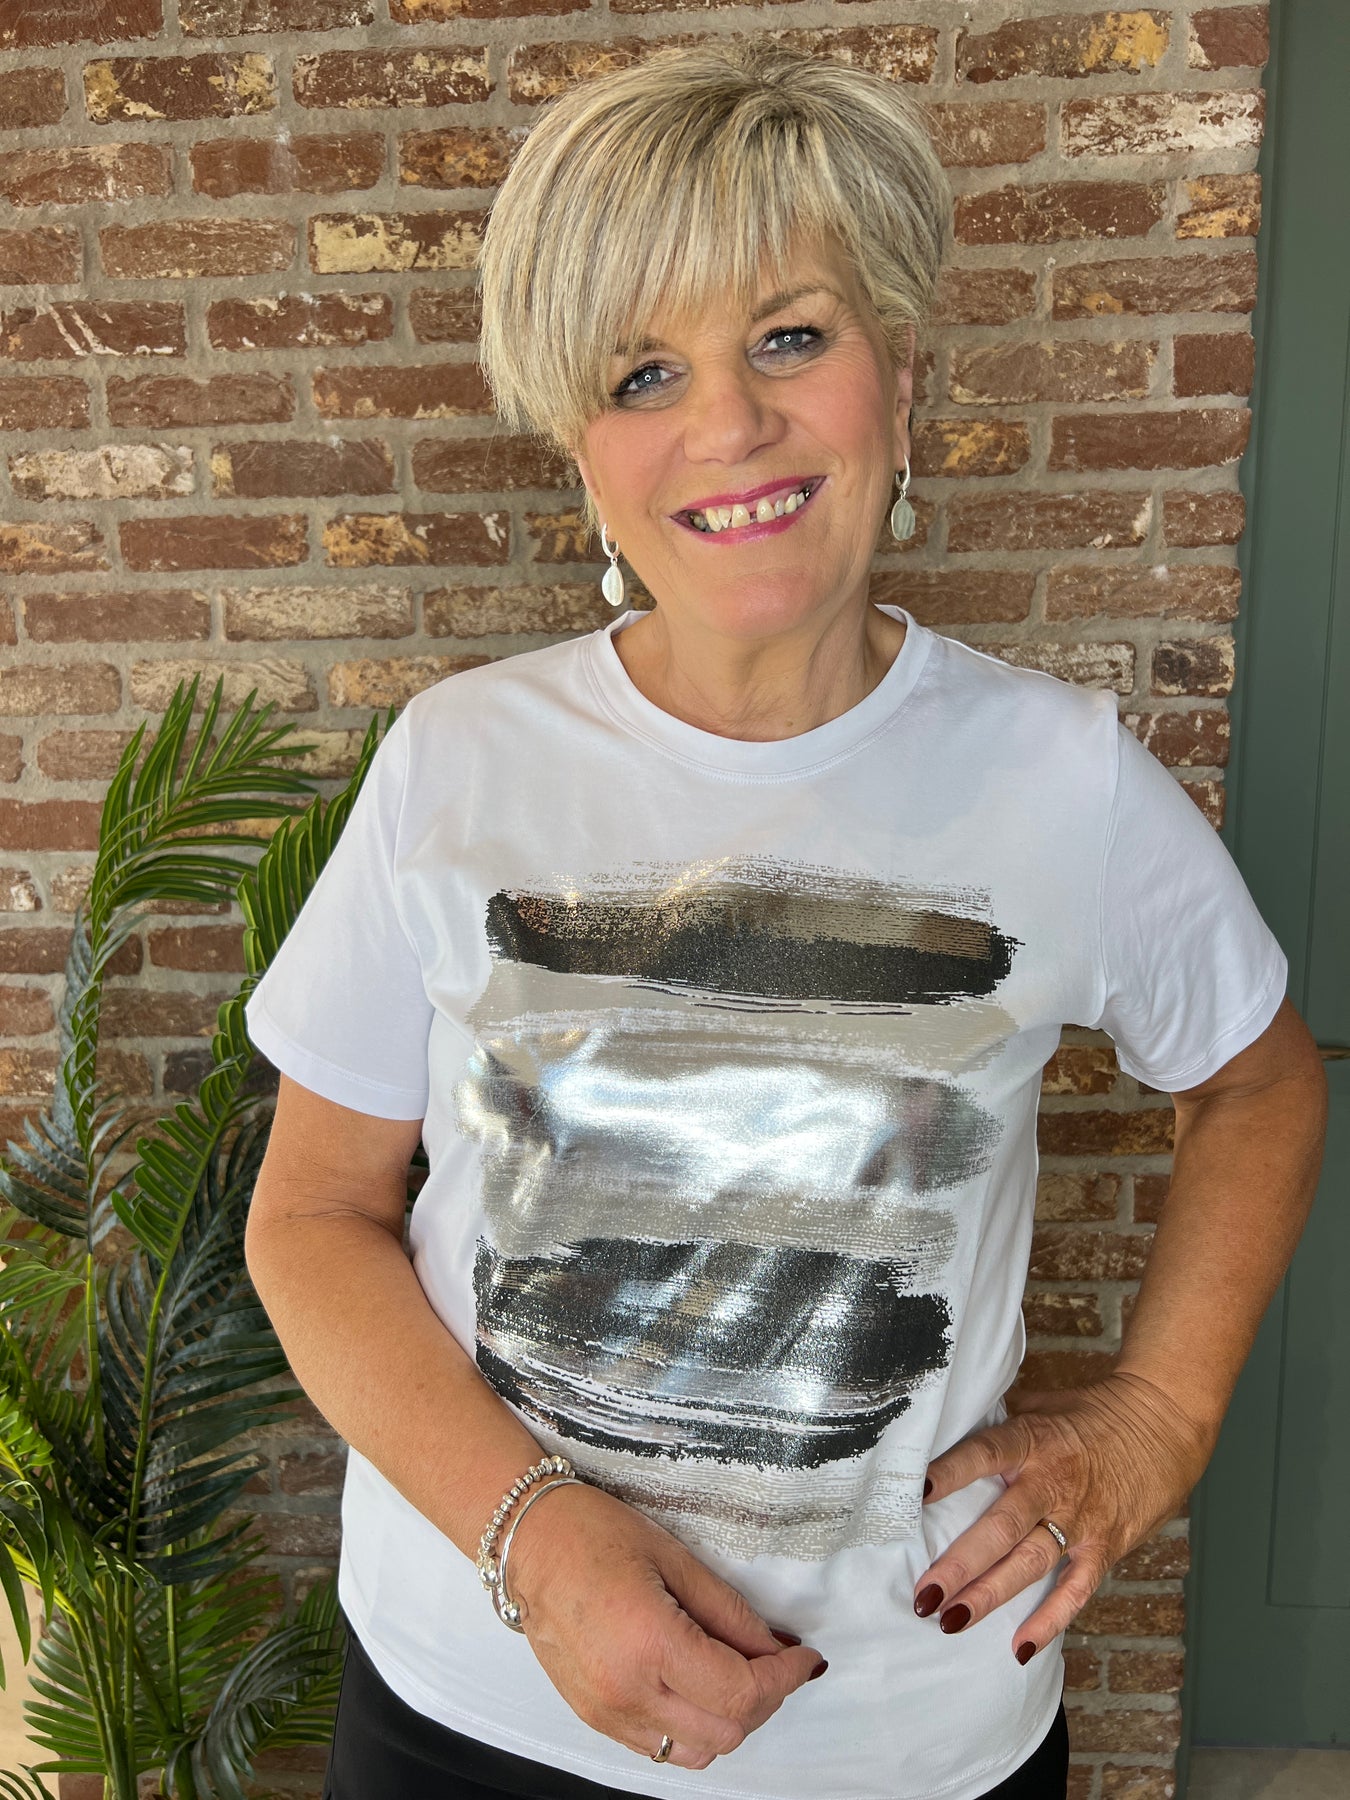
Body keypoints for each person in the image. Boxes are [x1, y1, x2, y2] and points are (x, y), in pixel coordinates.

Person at [241, 40, 1327, 1800]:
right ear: (581, 449)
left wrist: (1158, 1419)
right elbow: (311, 1216)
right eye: (643, 371)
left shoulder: (1060, 779)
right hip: (468, 1705)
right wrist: (536, 1537)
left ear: (900, 378)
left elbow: (1256, 1084)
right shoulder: (458, 759)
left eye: (789, 336)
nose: (727, 424)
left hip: (902, 1737)